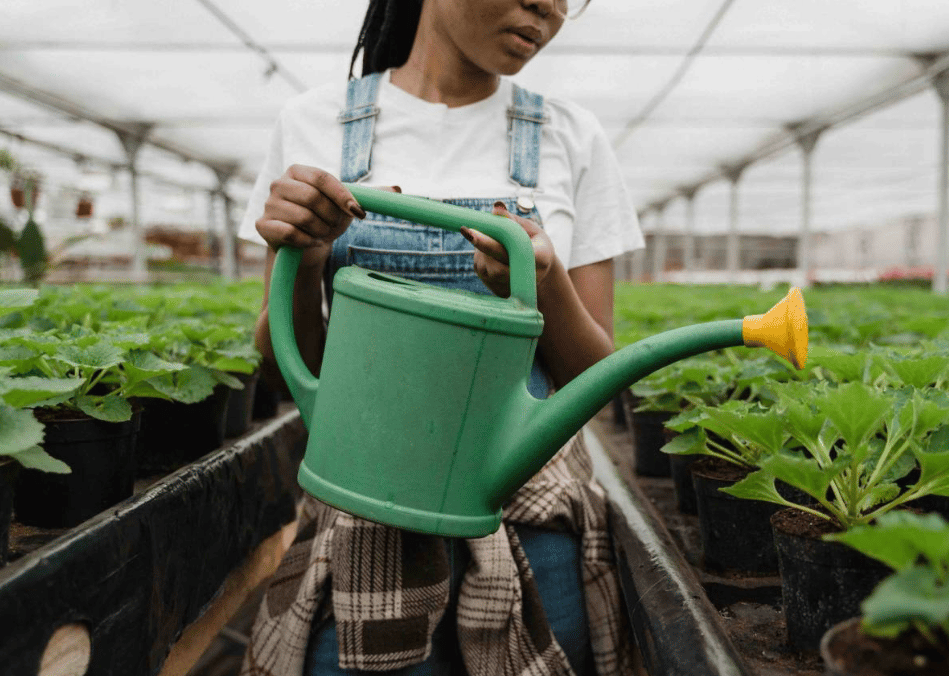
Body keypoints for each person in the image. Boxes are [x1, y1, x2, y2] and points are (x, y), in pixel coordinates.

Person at [237, 0, 644, 674]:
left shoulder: (570, 135)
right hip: (366, 517)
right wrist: (306, 261)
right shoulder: (316, 123)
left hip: (531, 516)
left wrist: (540, 282)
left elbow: (591, 375)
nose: (547, 8)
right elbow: (289, 368)